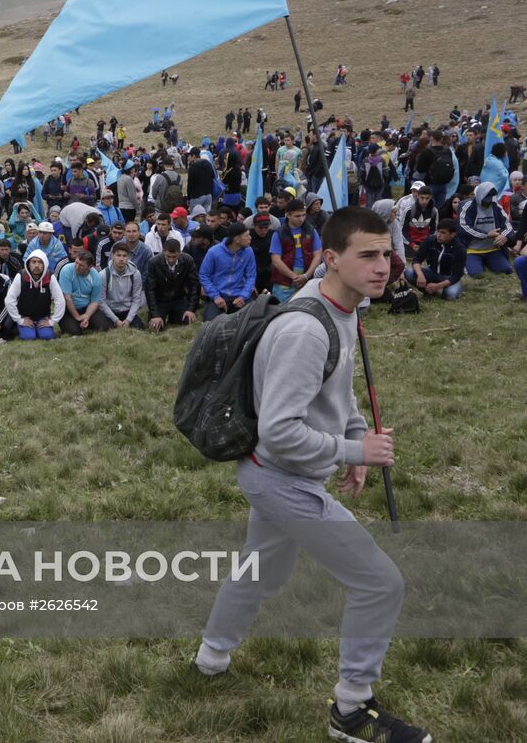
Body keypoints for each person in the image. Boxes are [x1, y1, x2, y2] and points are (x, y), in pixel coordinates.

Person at [198, 206, 429, 743]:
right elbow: (279, 431)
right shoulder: (307, 328)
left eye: (386, 253)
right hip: (281, 478)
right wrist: (353, 450)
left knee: (259, 574)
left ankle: (209, 659)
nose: (383, 266)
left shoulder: (342, 307)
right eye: (366, 255)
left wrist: (354, 439)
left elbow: (338, 386)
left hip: (282, 472)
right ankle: (351, 710)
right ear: (331, 258)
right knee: (379, 583)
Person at [456, 181, 516, 275]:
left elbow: (508, 225)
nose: (489, 200)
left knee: (506, 270)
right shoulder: (466, 205)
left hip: (492, 249)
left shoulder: (496, 206)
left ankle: (487, 262)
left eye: (491, 196)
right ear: (480, 195)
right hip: (471, 249)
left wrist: (504, 236)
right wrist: (486, 234)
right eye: (487, 196)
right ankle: (472, 263)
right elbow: (463, 227)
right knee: (475, 274)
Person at [269, 199, 323, 302]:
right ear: (288, 215)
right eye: (297, 216)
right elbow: (276, 260)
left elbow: (317, 255)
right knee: (282, 309)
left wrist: (306, 275)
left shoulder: (311, 230)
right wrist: (294, 276)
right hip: (284, 280)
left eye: (303, 215)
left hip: (307, 277)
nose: (301, 219)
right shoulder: (279, 233)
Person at [5, 249, 64, 340]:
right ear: (28, 263)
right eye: (34, 262)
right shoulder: (21, 276)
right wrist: (19, 320)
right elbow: (9, 300)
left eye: (40, 262)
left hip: (43, 317)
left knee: (47, 336)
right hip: (25, 316)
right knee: (29, 336)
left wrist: (52, 321)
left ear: (45, 264)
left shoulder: (50, 276)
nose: (36, 265)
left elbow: (60, 300)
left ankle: (38, 329)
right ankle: (19, 328)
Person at [201, 223, 256, 320]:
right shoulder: (214, 252)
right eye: (247, 235)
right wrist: (216, 297)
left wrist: (243, 296)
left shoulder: (248, 251)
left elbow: (251, 276)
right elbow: (204, 275)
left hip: (239, 294)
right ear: (237, 239)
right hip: (219, 295)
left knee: (253, 318)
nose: (250, 238)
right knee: (210, 321)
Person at [144, 238, 199, 330]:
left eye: (174, 257)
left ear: (180, 252)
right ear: (163, 251)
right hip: (160, 300)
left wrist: (191, 309)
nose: (171, 260)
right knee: (155, 327)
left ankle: (174, 317)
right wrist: (155, 314)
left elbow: (195, 285)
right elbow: (149, 289)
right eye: (168, 256)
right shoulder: (153, 262)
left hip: (179, 299)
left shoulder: (188, 260)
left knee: (187, 321)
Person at [91, 242, 147, 330]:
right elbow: (101, 301)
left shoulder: (135, 274)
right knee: (105, 328)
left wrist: (128, 320)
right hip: (110, 310)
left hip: (127, 311)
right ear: (112, 256)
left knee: (139, 327)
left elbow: (136, 299)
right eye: (118, 255)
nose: (121, 259)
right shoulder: (103, 275)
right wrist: (116, 321)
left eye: (124, 256)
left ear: (128, 257)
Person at [409, 219, 466, 300]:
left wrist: (438, 286)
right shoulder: (429, 241)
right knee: (409, 272)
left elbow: (457, 275)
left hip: (449, 277)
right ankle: (428, 291)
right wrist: (420, 274)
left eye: (443, 232)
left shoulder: (460, 249)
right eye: (438, 231)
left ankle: (445, 290)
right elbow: (417, 259)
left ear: (452, 234)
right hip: (431, 272)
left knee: (450, 295)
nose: (438, 235)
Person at [57, 248, 102, 336]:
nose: (77, 267)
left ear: (90, 267)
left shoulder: (96, 276)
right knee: (74, 332)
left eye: (81, 265)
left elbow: (95, 301)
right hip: (67, 308)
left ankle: (85, 323)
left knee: (102, 327)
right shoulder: (66, 270)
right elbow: (67, 298)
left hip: (86, 307)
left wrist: (87, 316)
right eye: (76, 263)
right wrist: (77, 317)